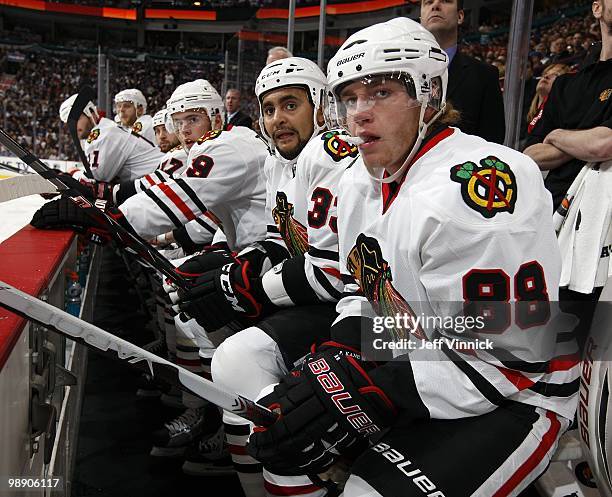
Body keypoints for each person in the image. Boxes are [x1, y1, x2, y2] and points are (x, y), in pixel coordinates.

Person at [247, 17, 578, 497]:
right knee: (286, 442)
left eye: (381, 92)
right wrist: (341, 358)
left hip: (522, 391)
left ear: (430, 96)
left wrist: (376, 391)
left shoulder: (478, 185)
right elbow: (362, 292)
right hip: (428, 363)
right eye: (350, 97)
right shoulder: (361, 179)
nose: (360, 113)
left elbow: (510, 351)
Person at [167, 57, 358, 496]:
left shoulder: (329, 154)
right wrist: (229, 271)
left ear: (321, 105)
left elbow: (330, 272)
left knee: (238, 359)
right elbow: (279, 243)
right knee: (230, 355)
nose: (277, 119)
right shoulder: (279, 162)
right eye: (269, 109)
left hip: (357, 304)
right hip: (327, 295)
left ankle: (310, 461)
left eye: (290, 105)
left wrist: (236, 288)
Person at [524, 0, 612, 351]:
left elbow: (605, 144)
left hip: (604, 234)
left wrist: (559, 135)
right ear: (596, 8)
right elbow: (531, 155)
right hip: (556, 226)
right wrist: (584, 140)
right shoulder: (567, 85)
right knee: (551, 340)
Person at [420, 0, 506, 143]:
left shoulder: (485, 75)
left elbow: (492, 141)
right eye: (428, 2)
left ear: (460, 16)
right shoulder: (400, 71)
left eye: (446, 1)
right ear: (421, 20)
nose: (435, 6)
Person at [58, 93, 163, 183]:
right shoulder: (104, 129)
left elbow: (95, 180)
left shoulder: (104, 134)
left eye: (77, 119)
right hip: (154, 178)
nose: (73, 126)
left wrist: (73, 172)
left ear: (91, 113)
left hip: (161, 178)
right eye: (69, 123)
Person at [526, 63, 571, 135]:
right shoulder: (524, 107)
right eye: (545, 73)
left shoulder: (558, 119)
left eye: (556, 75)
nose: (546, 76)